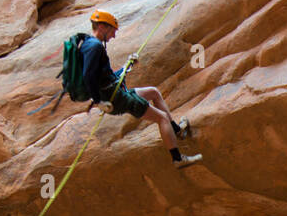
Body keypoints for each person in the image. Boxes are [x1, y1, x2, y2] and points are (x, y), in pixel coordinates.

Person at [82, 10, 202, 168]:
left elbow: (106, 78)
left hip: (115, 95)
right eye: (112, 31)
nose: (113, 36)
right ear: (103, 27)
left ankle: (177, 130)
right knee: (161, 118)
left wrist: (126, 66)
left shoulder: (90, 45)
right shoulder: (95, 47)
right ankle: (177, 159)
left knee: (153, 92)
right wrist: (98, 101)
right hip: (116, 99)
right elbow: (87, 76)